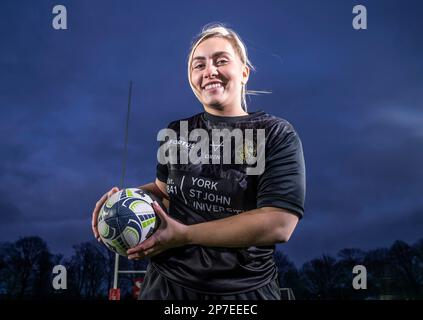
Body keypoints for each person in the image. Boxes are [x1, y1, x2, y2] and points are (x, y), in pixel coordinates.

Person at [91, 23, 306, 300]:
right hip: (166, 286)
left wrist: (185, 234)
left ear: (244, 72)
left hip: (242, 292)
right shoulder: (177, 132)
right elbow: (165, 192)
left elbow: (278, 223)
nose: (209, 71)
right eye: (198, 65)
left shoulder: (276, 133)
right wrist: (123, 201)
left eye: (221, 61)